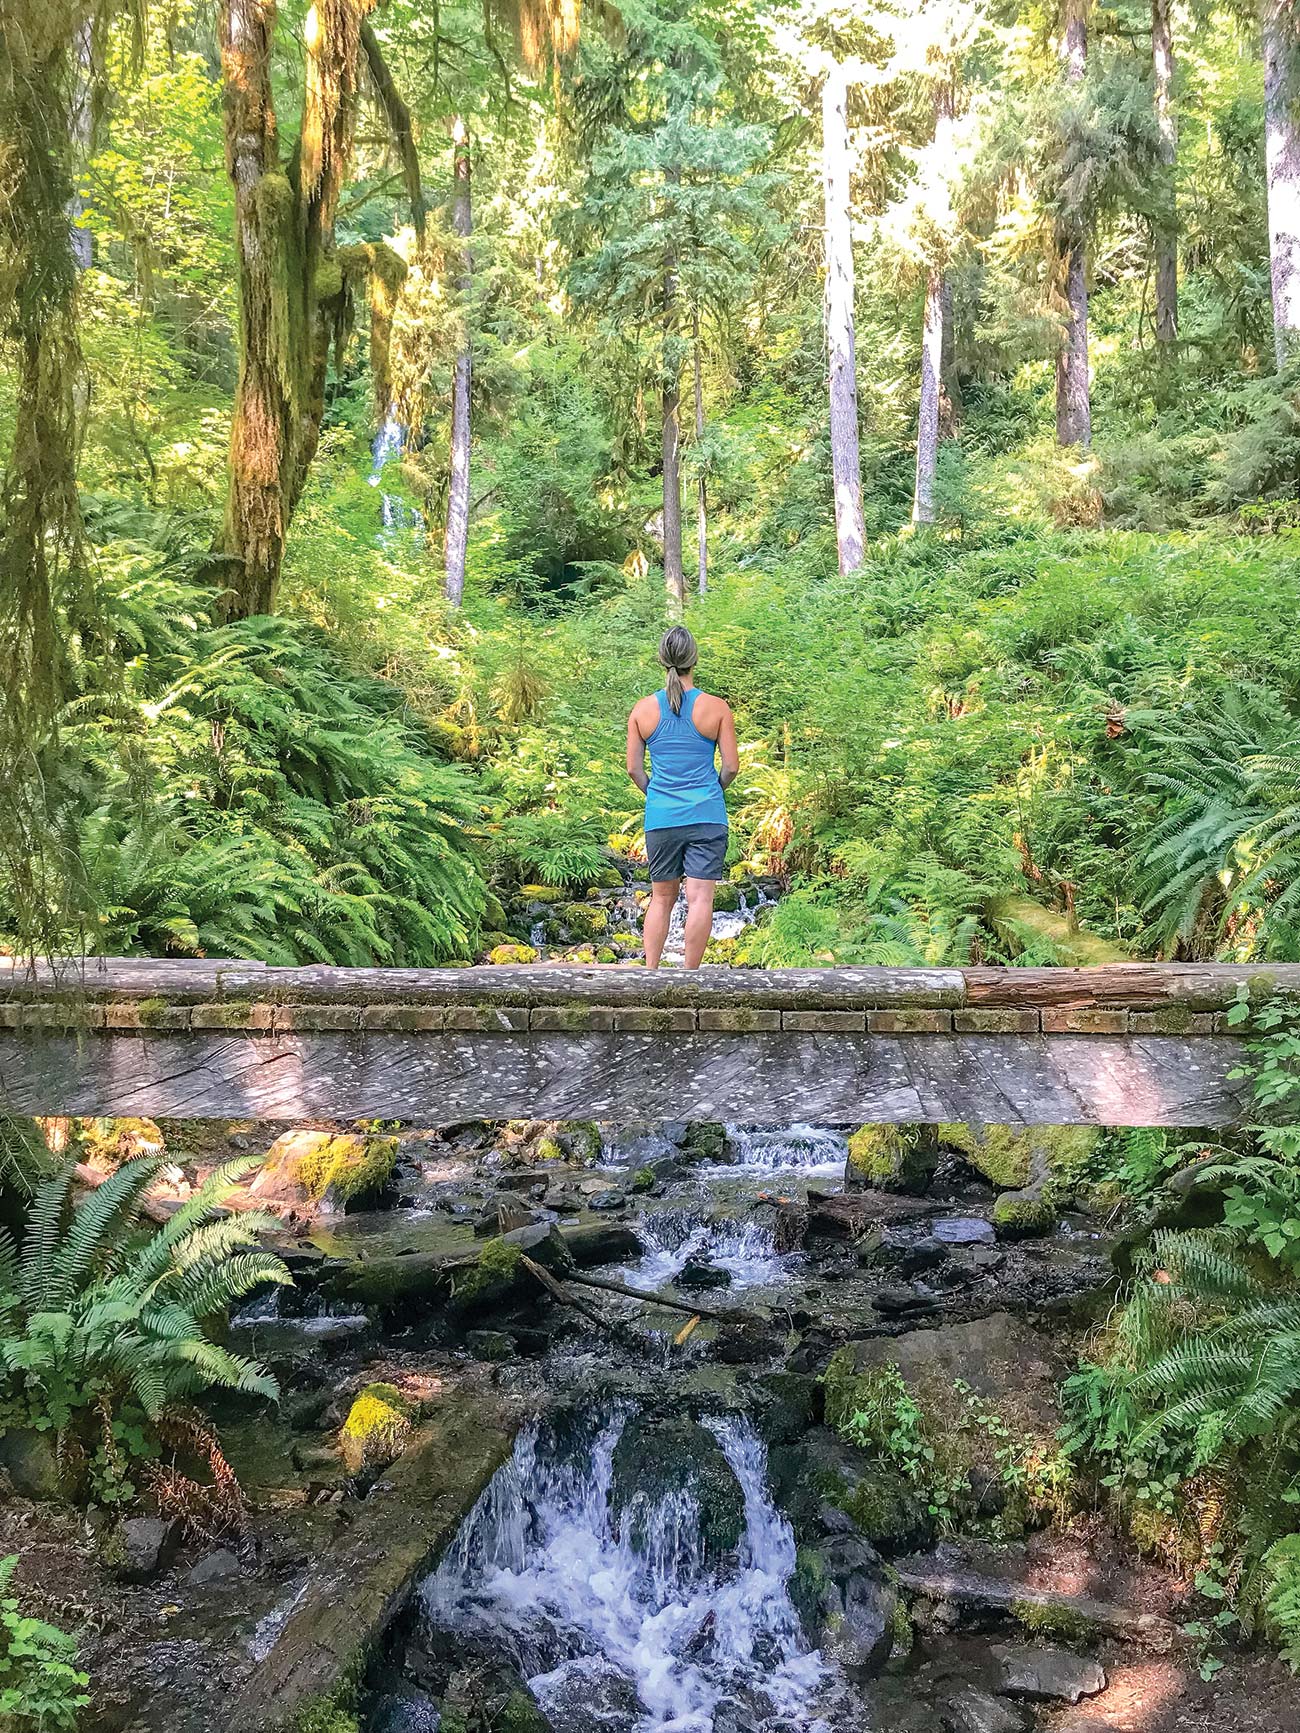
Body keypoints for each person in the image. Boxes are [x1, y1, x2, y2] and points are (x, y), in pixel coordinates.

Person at [626, 625, 739, 969]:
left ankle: (651, 974)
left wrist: (658, 794)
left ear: (662, 660)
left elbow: (634, 769)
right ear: (694, 659)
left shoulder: (642, 710)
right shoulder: (716, 708)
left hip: (662, 818)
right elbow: (731, 767)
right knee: (701, 896)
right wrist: (711, 792)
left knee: (661, 898)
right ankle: (690, 978)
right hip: (707, 815)